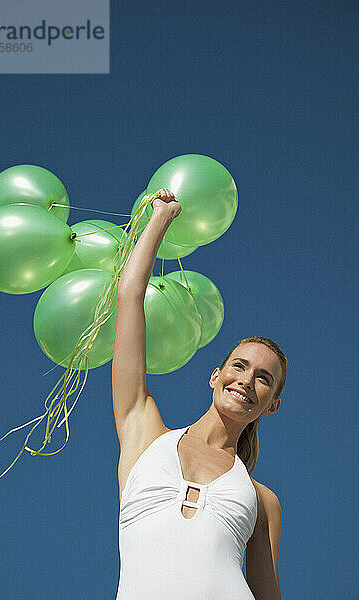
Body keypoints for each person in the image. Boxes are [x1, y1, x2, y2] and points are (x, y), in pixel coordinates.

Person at [112, 189, 285, 599]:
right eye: (239, 366)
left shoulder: (263, 501)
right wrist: (160, 220)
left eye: (263, 378)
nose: (246, 380)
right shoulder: (142, 432)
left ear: (271, 404)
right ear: (215, 375)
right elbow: (129, 297)